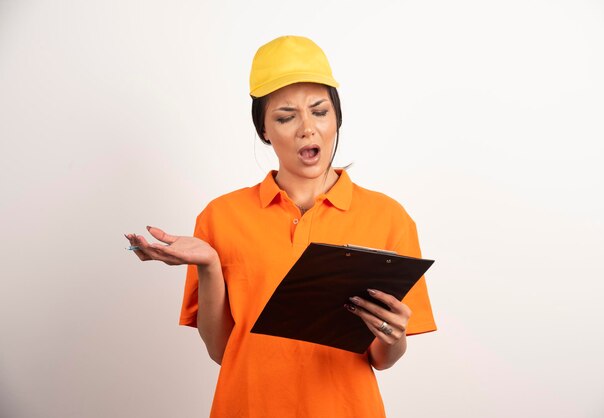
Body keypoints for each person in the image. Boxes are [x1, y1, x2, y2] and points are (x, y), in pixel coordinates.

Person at [126, 35, 436, 418]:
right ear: (264, 131)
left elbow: (382, 360)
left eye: (320, 111)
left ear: (337, 118)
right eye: (286, 117)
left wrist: (393, 334)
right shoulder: (220, 217)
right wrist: (208, 266)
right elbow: (222, 351)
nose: (307, 128)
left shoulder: (389, 218)